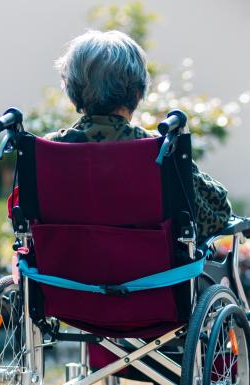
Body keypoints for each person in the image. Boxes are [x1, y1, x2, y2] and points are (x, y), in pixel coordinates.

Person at [46, 30, 232, 238]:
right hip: (150, 268)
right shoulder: (160, 149)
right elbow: (218, 213)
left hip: (65, 267)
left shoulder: (47, 151)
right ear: (137, 92)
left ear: (73, 93)